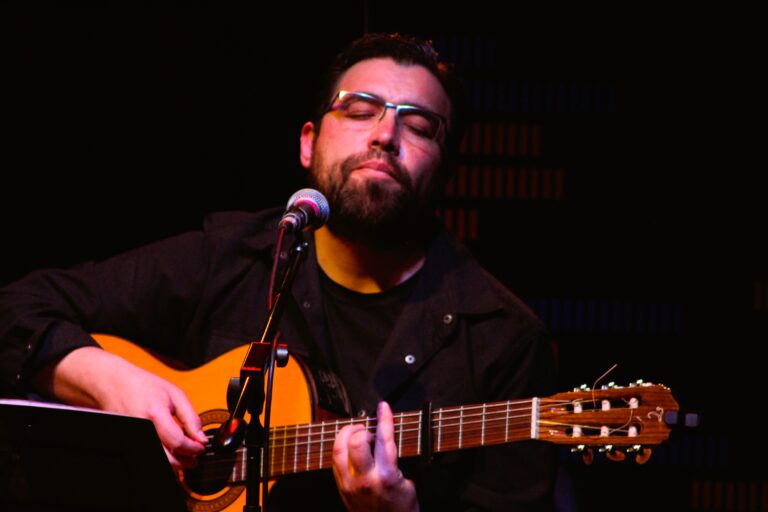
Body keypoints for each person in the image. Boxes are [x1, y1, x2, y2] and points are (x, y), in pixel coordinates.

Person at [0, 33, 557, 511]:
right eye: (360, 110)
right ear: (308, 143)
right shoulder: (230, 256)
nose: (385, 135)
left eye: (418, 126)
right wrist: (112, 382)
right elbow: (15, 308)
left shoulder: (503, 339)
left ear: (447, 172)